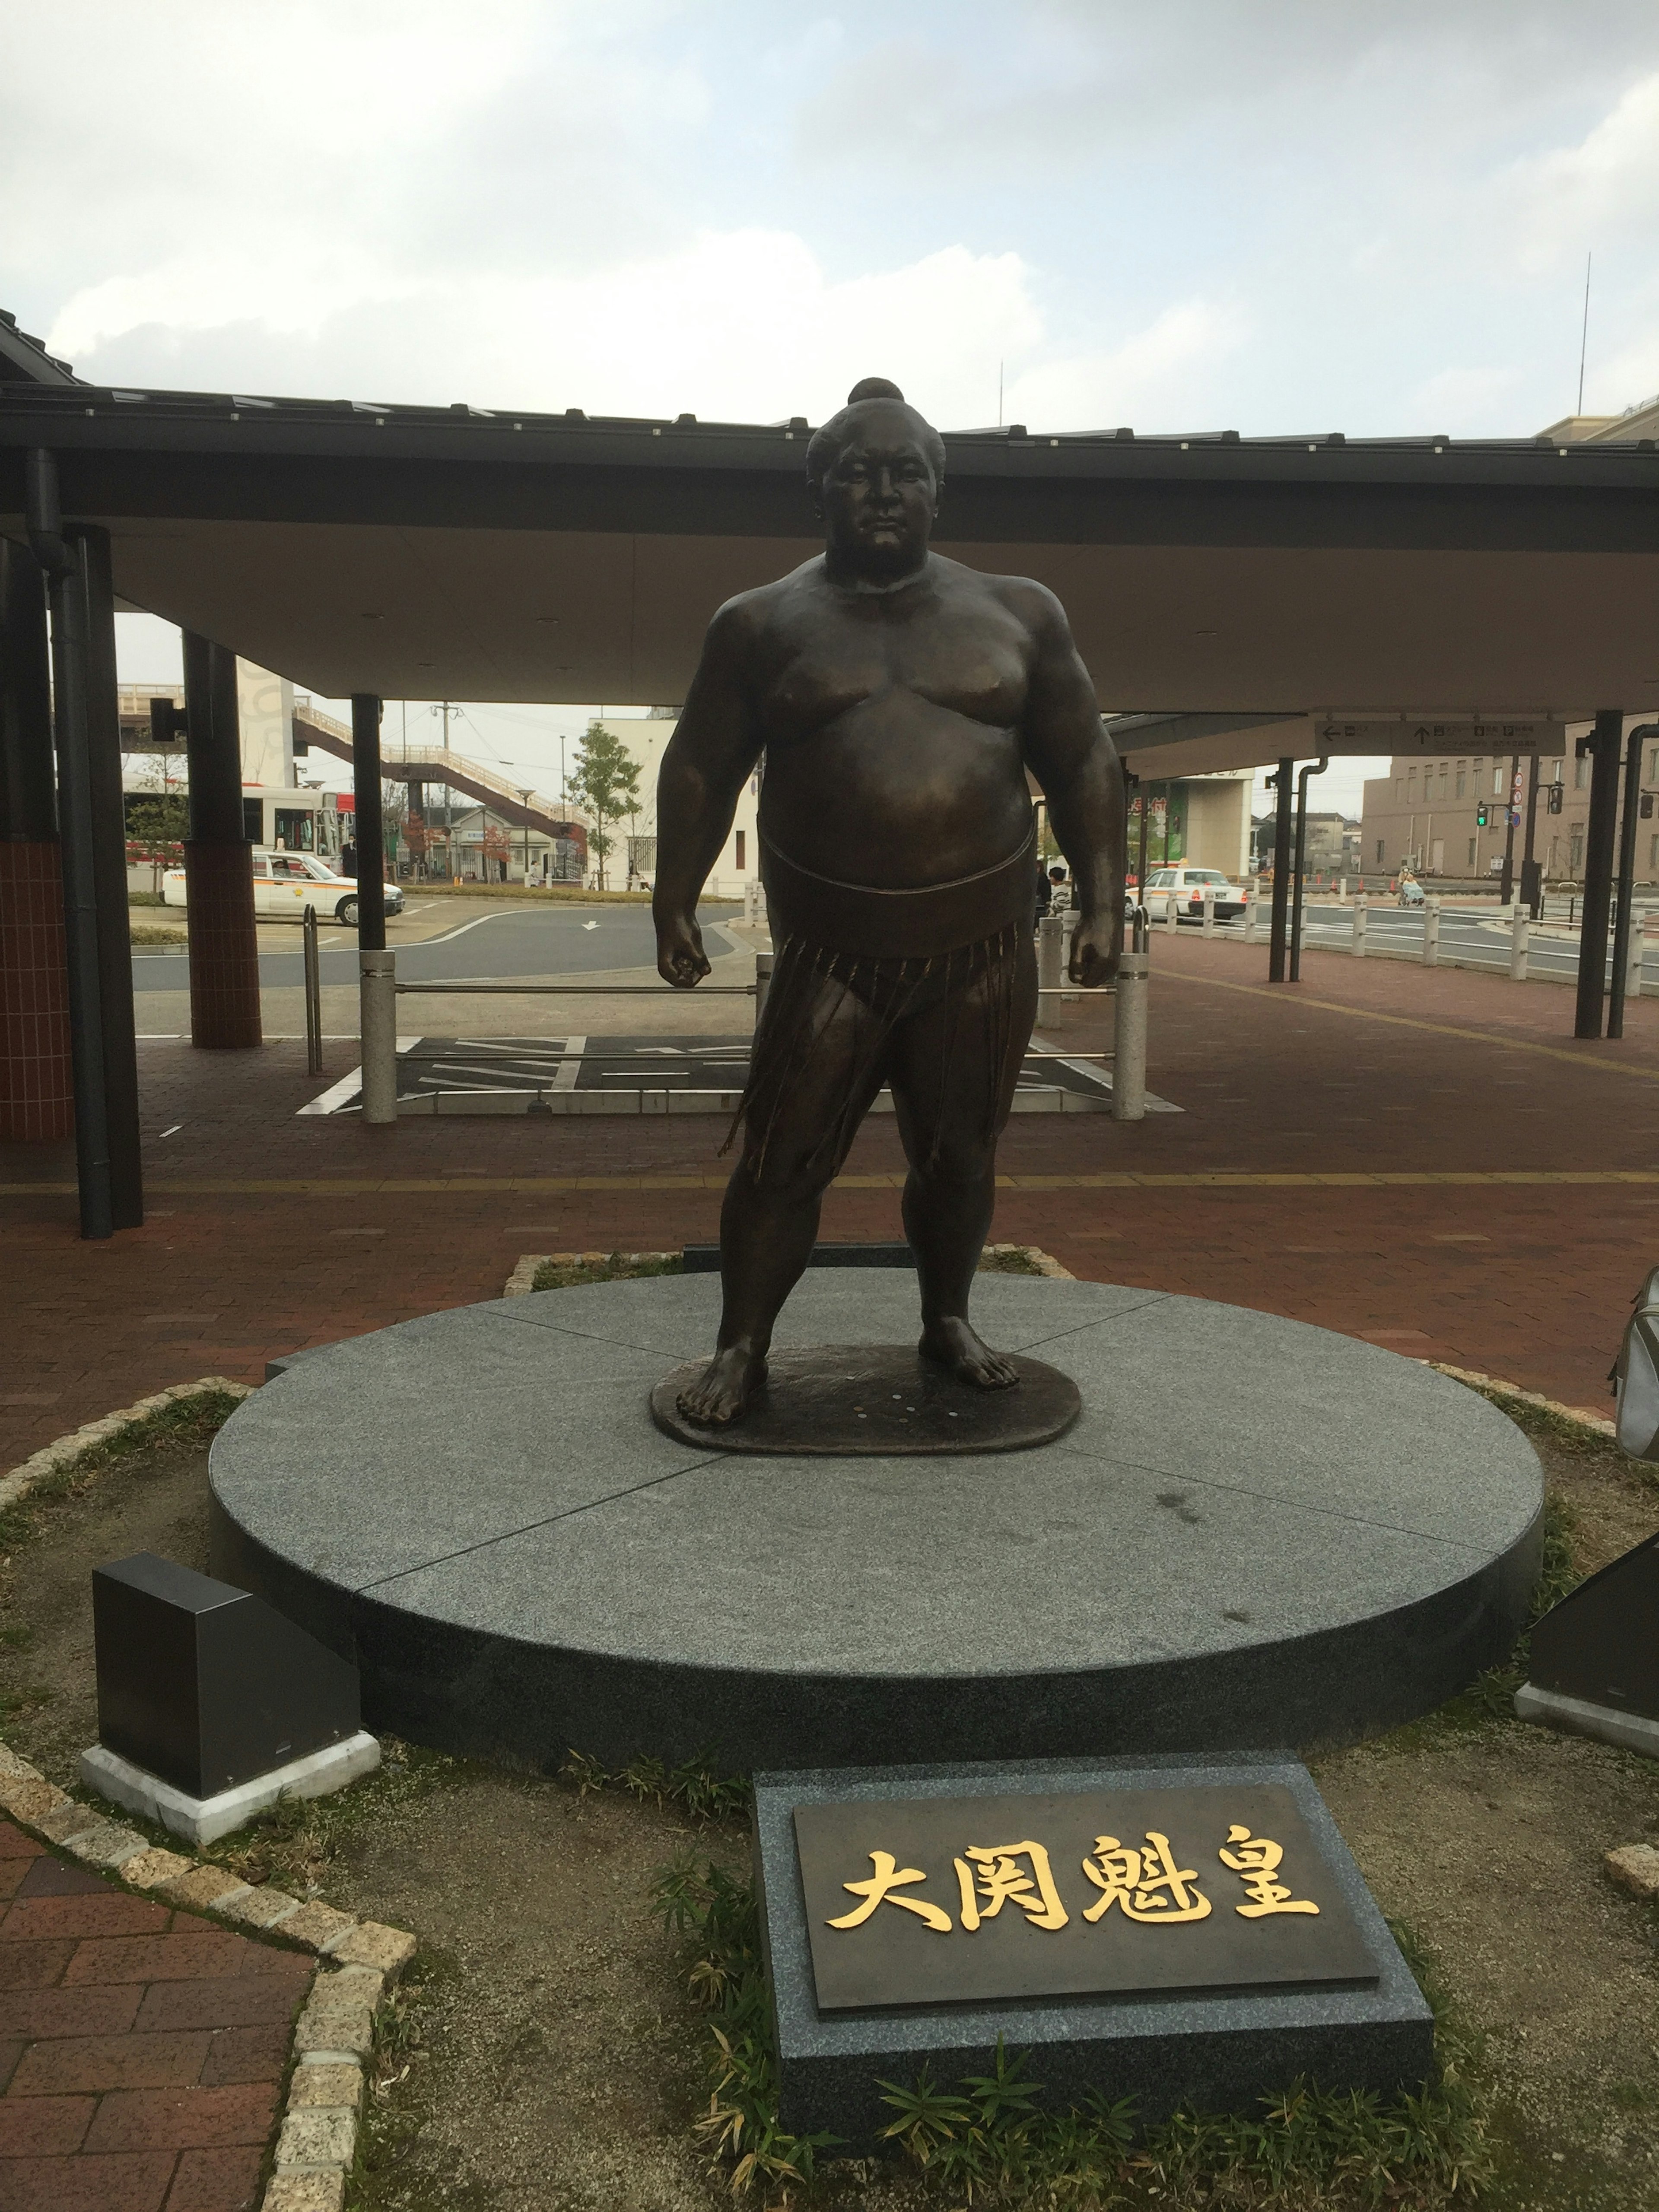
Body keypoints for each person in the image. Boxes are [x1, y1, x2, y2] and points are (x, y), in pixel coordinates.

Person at [653, 377, 1123, 1425]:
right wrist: (671, 899)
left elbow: (1085, 755)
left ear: (938, 490)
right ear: (818, 488)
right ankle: (742, 1342)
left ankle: (947, 1316)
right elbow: (697, 767)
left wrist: (1102, 900)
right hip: (834, 947)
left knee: (960, 1154)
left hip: (983, 944)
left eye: (905, 472)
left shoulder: (1019, 611)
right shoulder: (760, 623)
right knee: (782, 1158)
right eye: (858, 472)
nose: (882, 492)